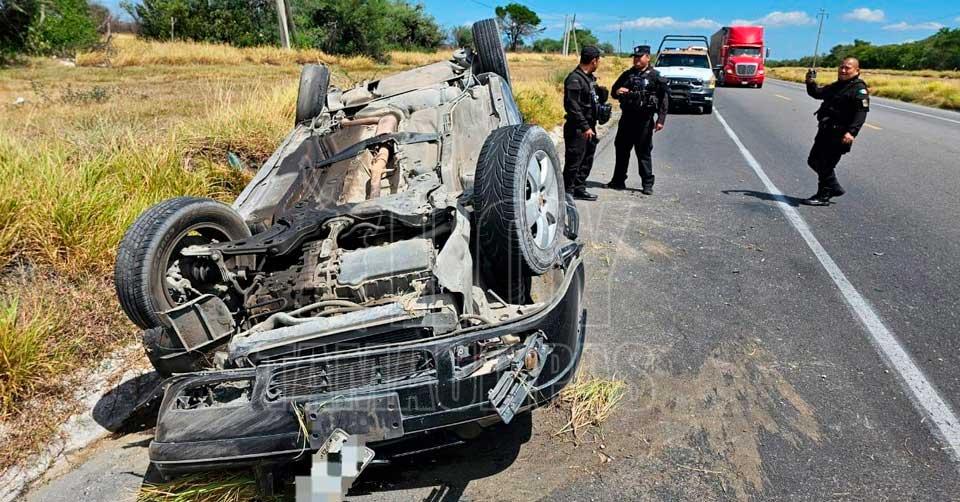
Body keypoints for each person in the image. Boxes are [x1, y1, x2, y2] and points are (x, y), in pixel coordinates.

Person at [802, 57, 870, 206]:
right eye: (841, 67)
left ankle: (824, 194)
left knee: (826, 164)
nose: (843, 70)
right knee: (814, 160)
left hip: (840, 134)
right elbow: (818, 93)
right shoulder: (837, 86)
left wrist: (851, 132)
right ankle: (834, 187)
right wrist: (810, 82)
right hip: (825, 131)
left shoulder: (858, 89)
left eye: (847, 68)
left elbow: (861, 113)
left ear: (857, 70)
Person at [605, 45, 668, 196]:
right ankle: (618, 180)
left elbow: (663, 100)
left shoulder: (655, 77)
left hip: (644, 121)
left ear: (648, 57)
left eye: (640, 57)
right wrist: (618, 91)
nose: (636, 60)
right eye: (635, 57)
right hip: (627, 119)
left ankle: (647, 184)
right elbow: (614, 91)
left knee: (643, 153)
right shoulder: (628, 75)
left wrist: (660, 120)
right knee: (621, 150)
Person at [562, 46, 606, 201]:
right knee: (574, 161)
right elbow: (572, 105)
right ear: (594, 61)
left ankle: (579, 188)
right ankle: (567, 192)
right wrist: (585, 126)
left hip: (589, 126)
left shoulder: (589, 79)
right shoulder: (575, 79)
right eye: (598, 60)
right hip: (578, 127)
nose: (598, 63)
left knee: (587, 159)